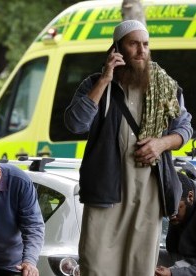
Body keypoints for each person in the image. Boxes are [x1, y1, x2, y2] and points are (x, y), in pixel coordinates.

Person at [64, 19, 193, 275]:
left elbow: (185, 129)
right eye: (133, 44)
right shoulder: (95, 84)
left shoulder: (166, 86)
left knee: (139, 267)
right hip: (105, 192)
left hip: (148, 192)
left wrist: (161, 143)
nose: (141, 50)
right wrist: (104, 80)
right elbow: (75, 124)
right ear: (118, 49)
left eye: (145, 44)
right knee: (96, 264)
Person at [155, 170, 196, 276]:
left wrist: (173, 273)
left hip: (192, 265)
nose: (171, 216)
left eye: (175, 210)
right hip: (181, 256)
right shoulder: (176, 204)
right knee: (142, 257)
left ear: (190, 197)